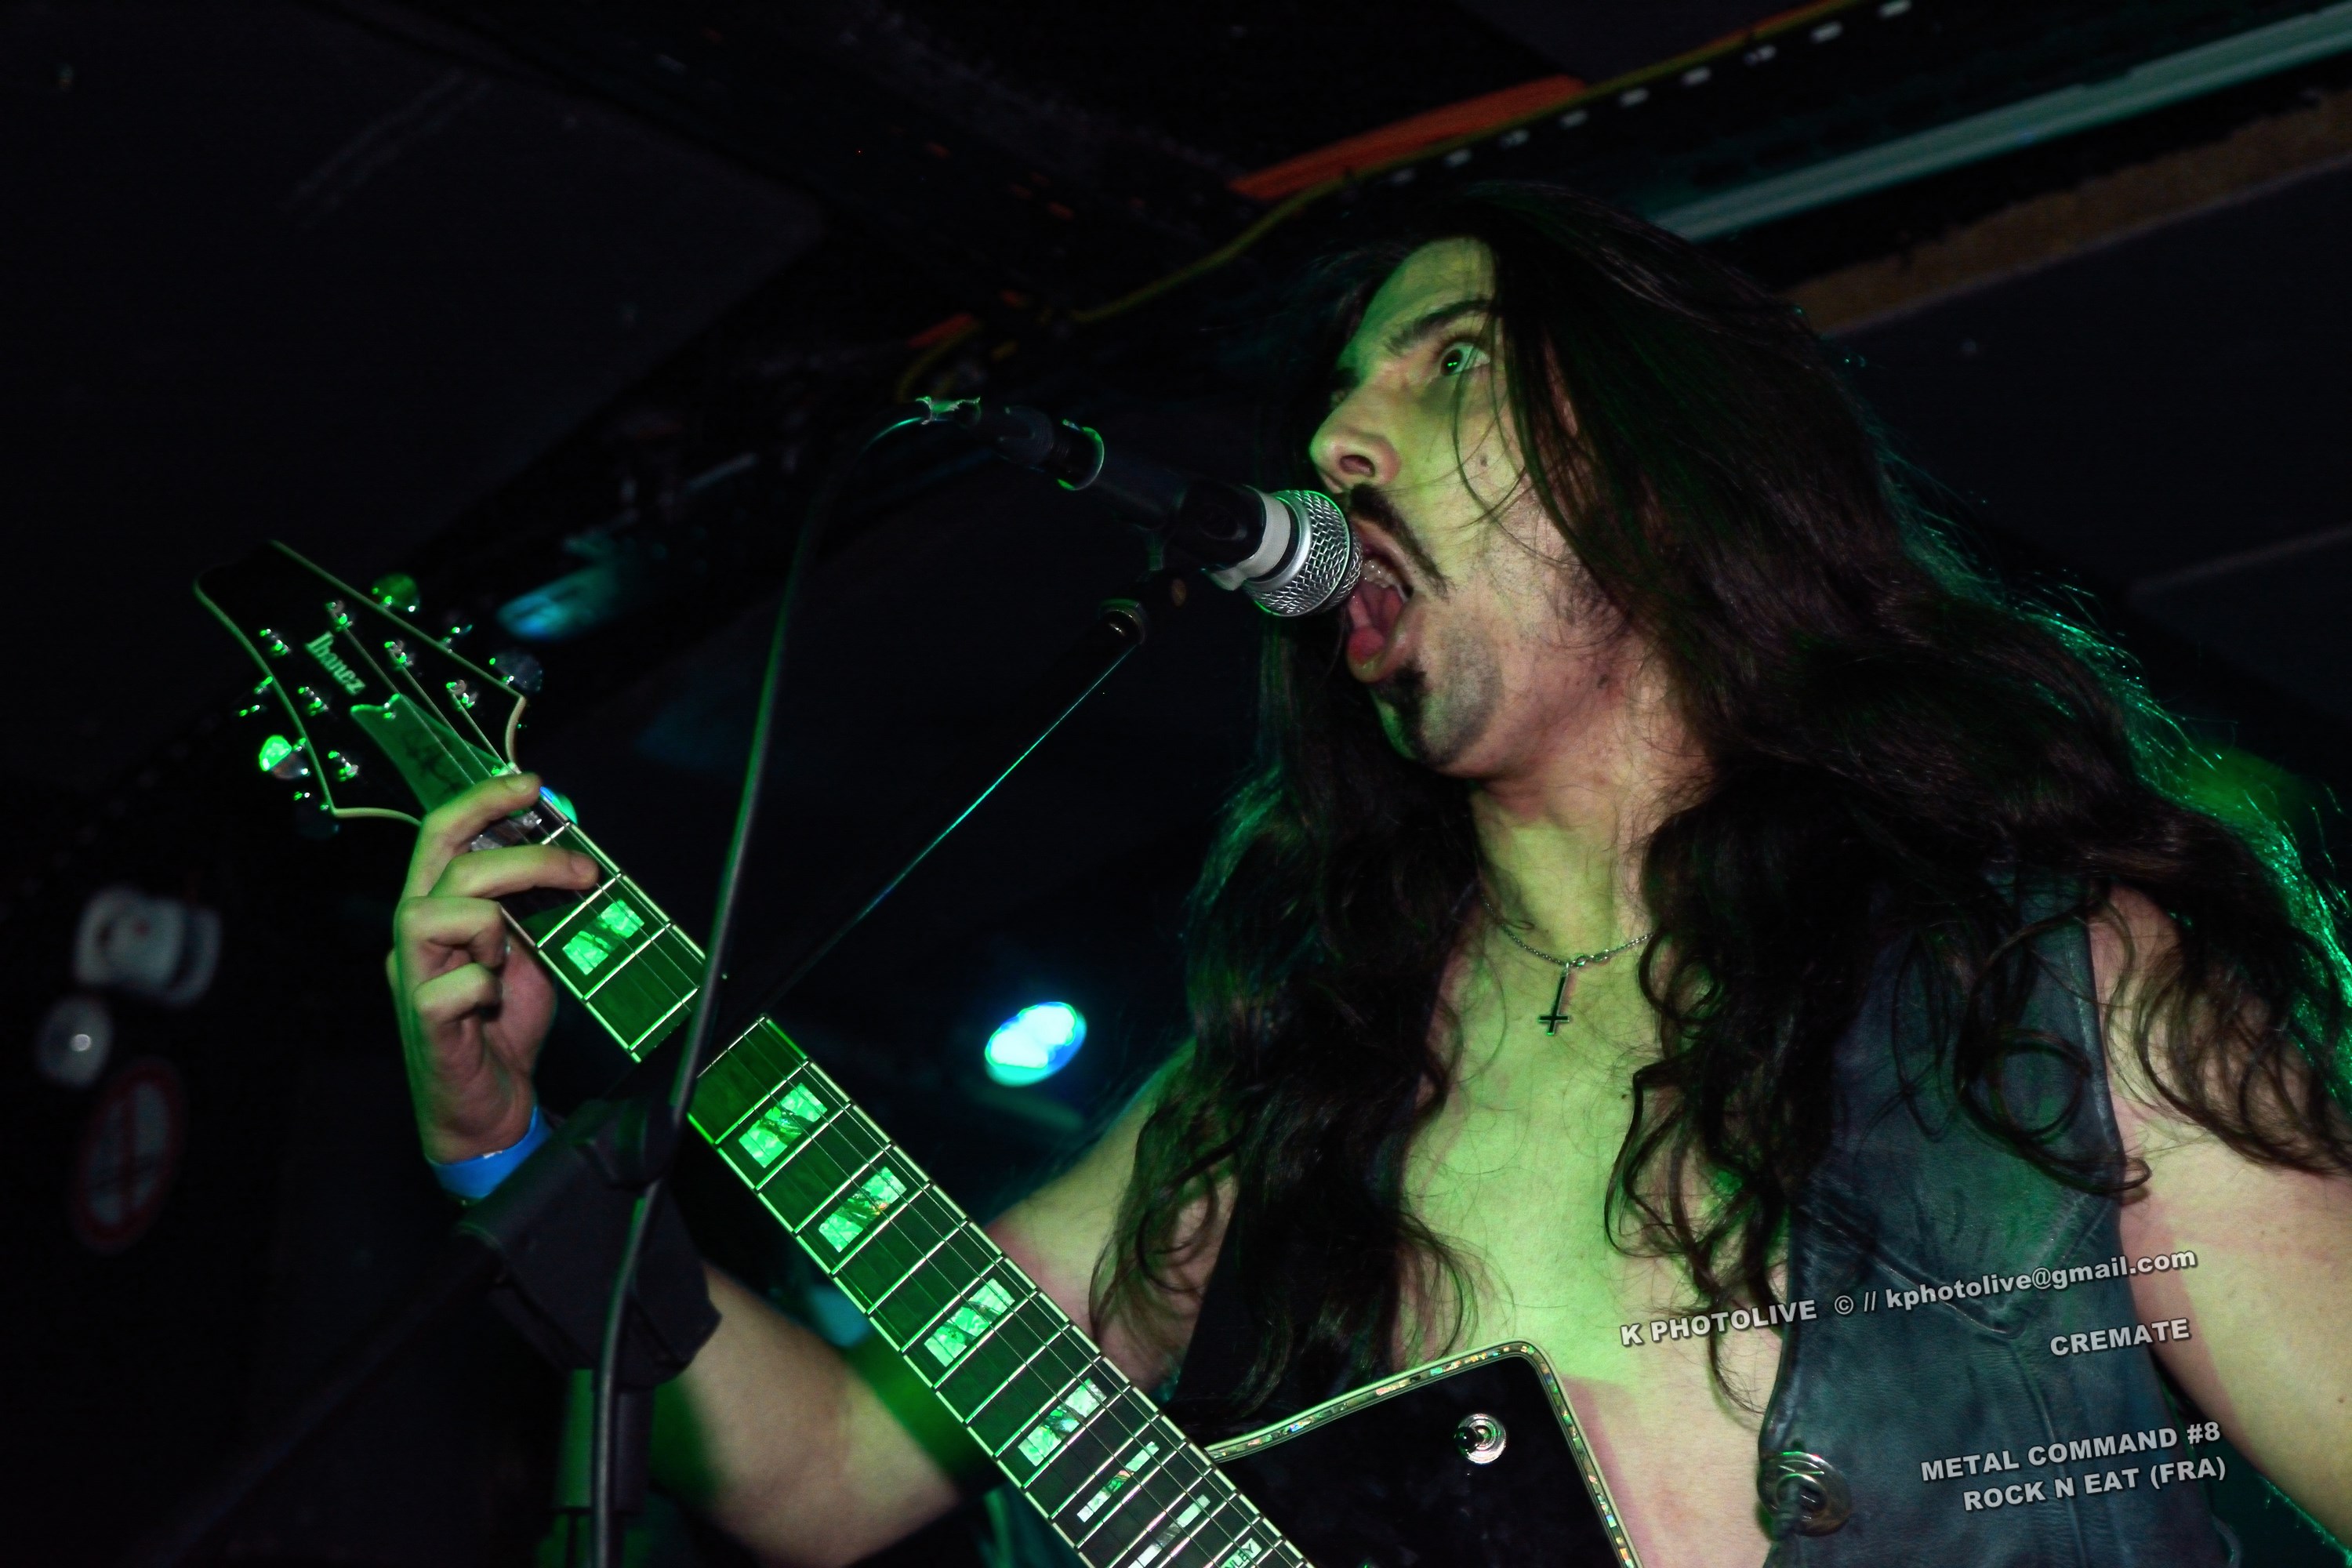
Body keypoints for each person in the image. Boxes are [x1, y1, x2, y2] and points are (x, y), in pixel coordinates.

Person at [389, 183, 2352, 1566]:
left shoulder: (2061, 996)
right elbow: (817, 1478)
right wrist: (506, 1152)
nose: (1338, 434)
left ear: (1670, 453)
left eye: (1450, 360)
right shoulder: (1278, 1095)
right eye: (1342, 392)